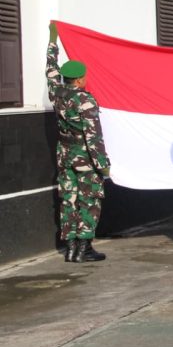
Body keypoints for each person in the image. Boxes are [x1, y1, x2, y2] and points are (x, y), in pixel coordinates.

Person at [46, 22, 110, 263]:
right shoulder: (85, 101)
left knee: (68, 199)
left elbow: (50, 71)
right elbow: (93, 136)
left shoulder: (56, 93)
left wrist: (52, 42)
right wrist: (103, 165)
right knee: (89, 200)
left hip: (64, 154)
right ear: (81, 80)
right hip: (85, 157)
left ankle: (71, 247)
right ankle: (84, 247)